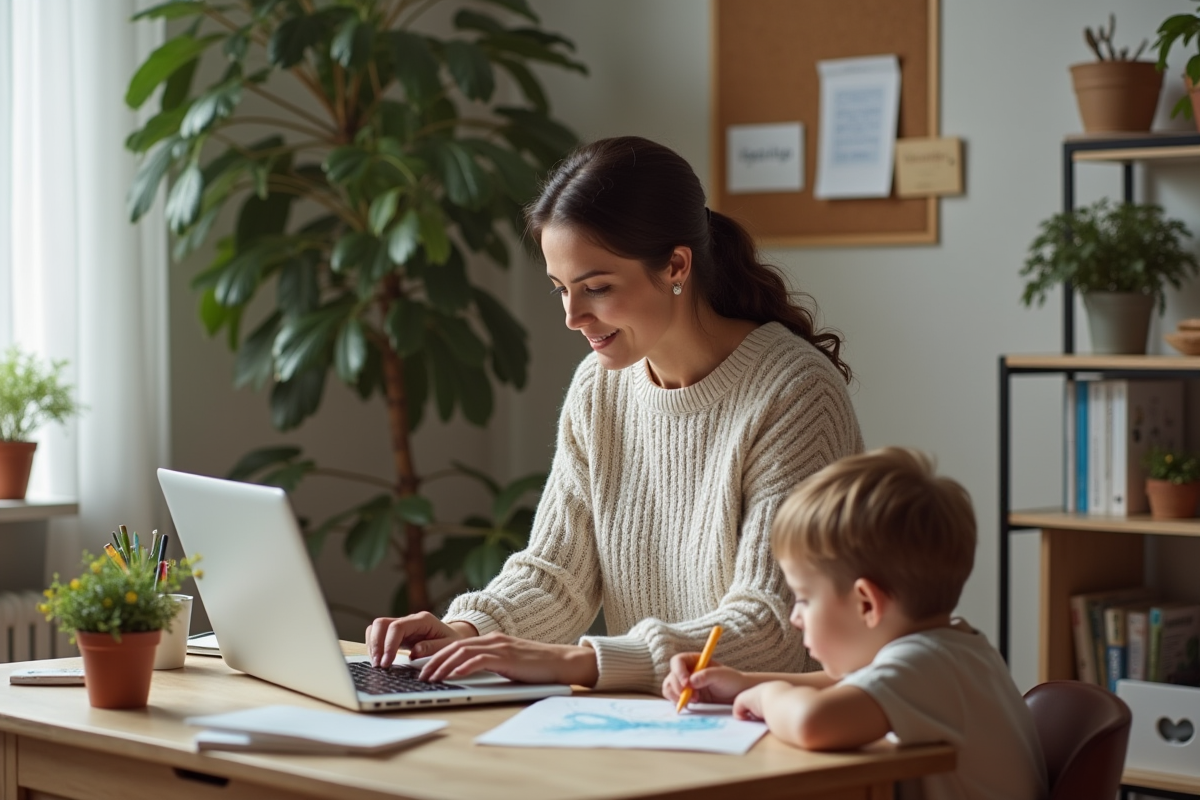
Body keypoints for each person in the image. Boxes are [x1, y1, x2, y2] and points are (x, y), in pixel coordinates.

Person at [366, 135, 864, 693]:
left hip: (770, 733)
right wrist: (463, 631)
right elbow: (558, 577)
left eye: (596, 288)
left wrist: (580, 663)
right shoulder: (600, 388)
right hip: (650, 723)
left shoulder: (793, 392)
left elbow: (771, 629)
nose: (573, 316)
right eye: (561, 289)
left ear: (676, 265)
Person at [663, 447, 1048, 800]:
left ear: (867, 603)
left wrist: (767, 696)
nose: (796, 617)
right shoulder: (953, 646)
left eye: (805, 598)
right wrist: (742, 684)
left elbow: (815, 721)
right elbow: (845, 686)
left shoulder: (925, 664)